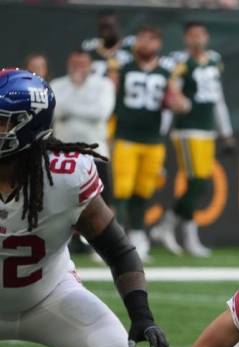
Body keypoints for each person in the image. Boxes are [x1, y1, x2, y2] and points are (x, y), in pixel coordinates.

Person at [0, 69, 169, 347]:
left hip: (48, 295)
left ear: (28, 125)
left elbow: (118, 250)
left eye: (1, 121)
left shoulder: (67, 174)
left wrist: (141, 314)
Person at [150, 21, 235, 258]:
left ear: (206, 37)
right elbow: (171, 96)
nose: (197, 39)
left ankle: (179, 234)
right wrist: (164, 129)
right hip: (187, 129)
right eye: (192, 35)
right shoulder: (181, 63)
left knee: (198, 185)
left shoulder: (215, 61)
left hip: (207, 130)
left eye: (200, 35)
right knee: (197, 183)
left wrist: (226, 132)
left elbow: (218, 99)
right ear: (186, 38)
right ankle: (170, 228)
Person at [108, 24, 189, 261]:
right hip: (126, 135)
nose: (146, 43)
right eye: (142, 39)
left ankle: (137, 238)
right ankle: (112, 238)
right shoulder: (122, 67)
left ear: (158, 44)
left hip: (153, 139)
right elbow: (108, 93)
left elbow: (177, 99)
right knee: (122, 190)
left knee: (143, 192)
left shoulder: (166, 73)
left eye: (151, 39)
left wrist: (180, 103)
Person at [51, 49, 116, 204]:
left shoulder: (104, 85)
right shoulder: (57, 84)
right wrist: (76, 94)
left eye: (82, 64)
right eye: (74, 64)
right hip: (62, 159)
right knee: (61, 207)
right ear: (68, 64)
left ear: (90, 65)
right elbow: (54, 111)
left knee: (100, 208)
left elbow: (101, 112)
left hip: (95, 155)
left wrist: (68, 109)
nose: (78, 68)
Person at [82, 10, 135, 77]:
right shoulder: (88, 48)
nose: (106, 30)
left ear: (118, 25)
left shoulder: (131, 47)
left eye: (109, 26)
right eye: (102, 26)